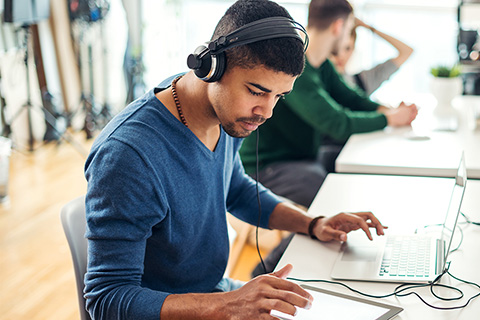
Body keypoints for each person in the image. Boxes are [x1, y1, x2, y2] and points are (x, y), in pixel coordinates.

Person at [83, 1, 386, 319]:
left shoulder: (221, 112)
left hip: (214, 294)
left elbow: (236, 189)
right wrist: (228, 304)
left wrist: (312, 224)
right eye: (257, 91)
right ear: (212, 67)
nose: (267, 112)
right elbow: (107, 299)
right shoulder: (127, 157)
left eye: (278, 97)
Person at [239, 0, 417, 277]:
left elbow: (350, 99)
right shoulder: (297, 67)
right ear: (339, 26)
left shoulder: (320, 64)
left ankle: (366, 252)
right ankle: (265, 270)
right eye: (349, 30)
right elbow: (336, 122)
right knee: (330, 200)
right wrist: (388, 119)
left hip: (302, 155)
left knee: (352, 174)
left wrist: (387, 111)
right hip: (271, 164)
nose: (348, 37)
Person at [330, 17, 414, 96]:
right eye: (335, 48)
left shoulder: (363, 81)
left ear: (353, 49)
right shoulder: (318, 83)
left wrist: (368, 27)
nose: (340, 55)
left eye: (347, 48)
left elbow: (406, 51)